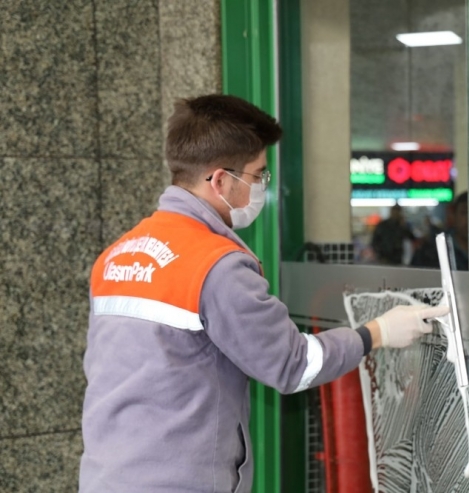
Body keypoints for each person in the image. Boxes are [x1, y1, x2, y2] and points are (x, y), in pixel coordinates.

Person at [78, 94, 448, 493]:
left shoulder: (117, 255)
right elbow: (293, 365)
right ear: (220, 181)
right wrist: (377, 333)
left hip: (106, 476)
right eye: (257, 176)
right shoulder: (216, 265)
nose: (261, 188)